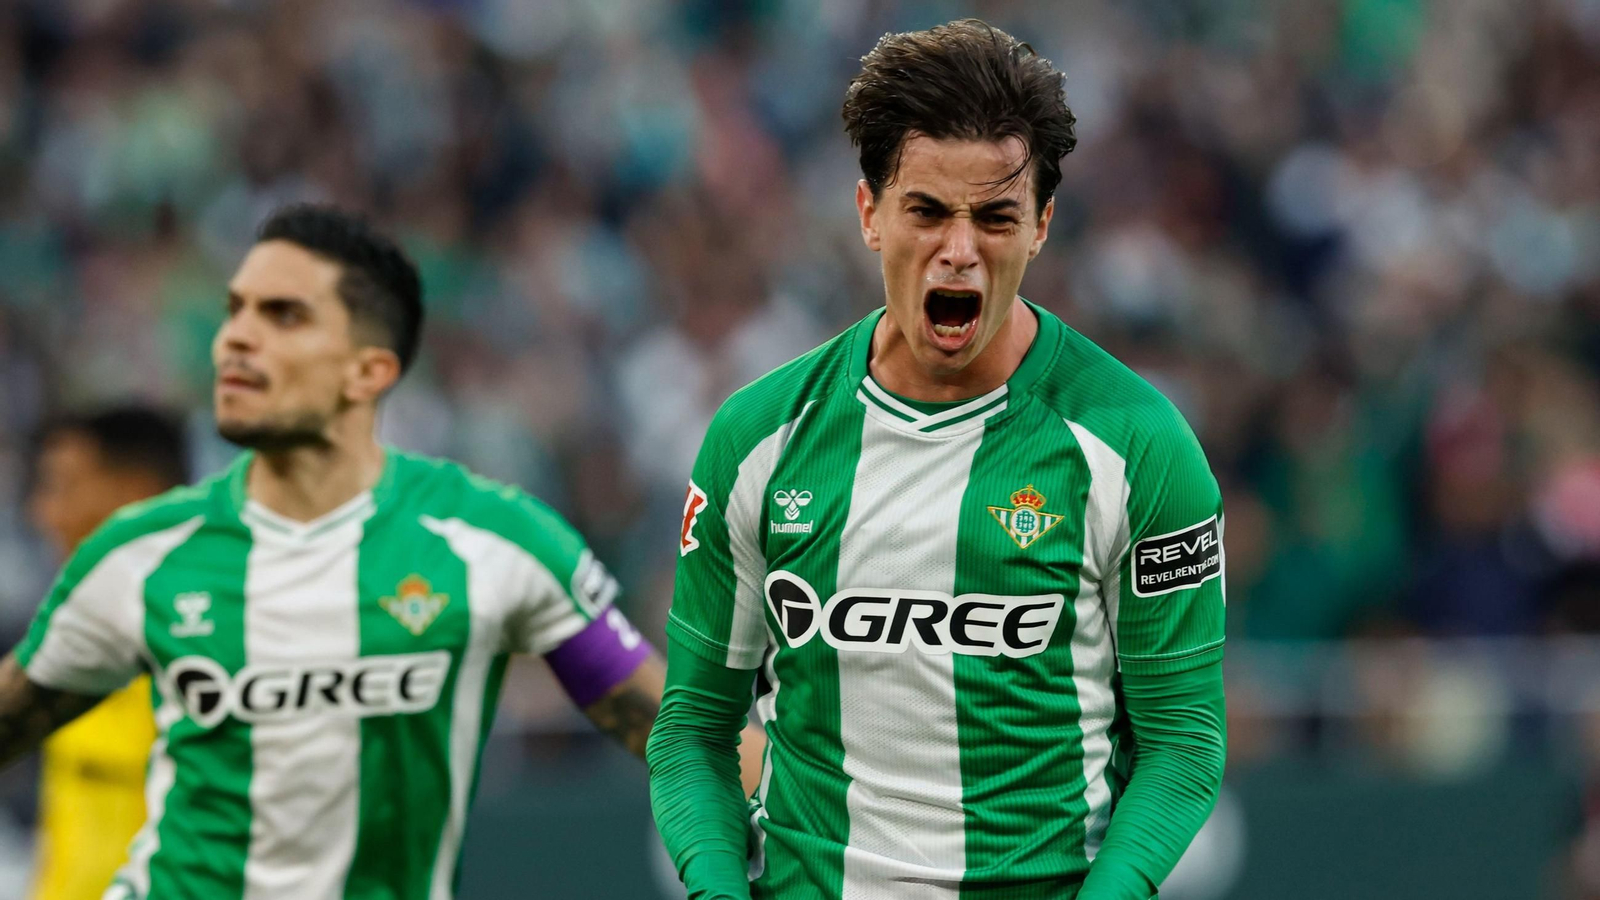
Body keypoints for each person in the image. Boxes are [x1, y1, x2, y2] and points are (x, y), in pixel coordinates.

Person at [0, 203, 760, 899]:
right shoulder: (141, 553)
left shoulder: (493, 542)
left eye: (283, 315)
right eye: (235, 311)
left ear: (370, 371)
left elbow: (675, 730)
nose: (235, 335)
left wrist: (841, 824)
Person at [648, 18, 1226, 900]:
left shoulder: (1137, 446)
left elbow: (1183, 742)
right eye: (926, 210)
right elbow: (693, 728)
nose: (959, 250)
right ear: (870, 213)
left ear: (1041, 227)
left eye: (995, 216)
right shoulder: (757, 438)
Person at [26, 406, 188, 900]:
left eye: (64, 487)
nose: (44, 514)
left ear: (136, 493)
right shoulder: (67, 634)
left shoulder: (207, 646)